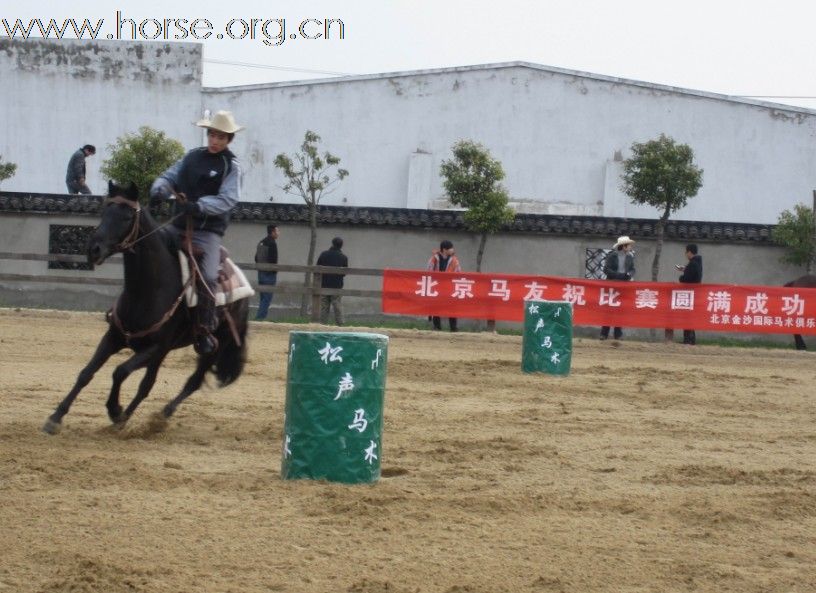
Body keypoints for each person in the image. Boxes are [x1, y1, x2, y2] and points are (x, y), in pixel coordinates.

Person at [149, 110, 243, 355]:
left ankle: (204, 329)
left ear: (229, 140)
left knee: (208, 276)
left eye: (221, 137)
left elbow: (228, 199)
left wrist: (198, 206)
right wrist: (159, 191)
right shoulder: (191, 157)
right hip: (178, 224)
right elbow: (169, 176)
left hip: (207, 231)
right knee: (147, 249)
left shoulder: (230, 166)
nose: (215, 141)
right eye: (213, 135)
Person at [600, 235, 635, 341]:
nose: (630, 247)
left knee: (620, 309)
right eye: (629, 245)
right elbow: (606, 269)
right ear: (624, 246)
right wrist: (618, 275)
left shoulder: (630, 257)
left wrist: (629, 274)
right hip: (612, 285)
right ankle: (604, 333)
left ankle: (618, 334)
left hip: (623, 286)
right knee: (609, 309)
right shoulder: (612, 256)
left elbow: (633, 269)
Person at [427, 239, 462, 332]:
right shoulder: (434, 258)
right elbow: (429, 270)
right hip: (436, 286)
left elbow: (458, 272)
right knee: (435, 306)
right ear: (444, 249)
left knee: (452, 306)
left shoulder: (454, 260)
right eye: (450, 248)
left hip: (450, 286)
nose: (452, 250)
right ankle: (437, 326)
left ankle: (453, 328)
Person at [316, 237, 349, 325]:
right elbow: (344, 273)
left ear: (332, 243)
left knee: (324, 306)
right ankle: (340, 324)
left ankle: (322, 324)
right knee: (337, 305)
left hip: (324, 283)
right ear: (341, 245)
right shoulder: (343, 257)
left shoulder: (323, 254)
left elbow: (317, 268)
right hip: (337, 285)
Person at [677, 243, 703, 345]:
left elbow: (687, 278)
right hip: (695, 294)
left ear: (689, 252)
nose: (685, 254)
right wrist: (685, 269)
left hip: (690, 294)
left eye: (686, 252)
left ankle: (688, 340)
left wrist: (681, 278)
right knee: (690, 317)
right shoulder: (698, 262)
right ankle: (691, 339)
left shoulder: (693, 263)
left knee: (687, 317)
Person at [254, 224, 279, 320]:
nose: (278, 233)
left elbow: (256, 258)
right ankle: (259, 318)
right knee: (267, 298)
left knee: (263, 297)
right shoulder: (272, 243)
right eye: (277, 231)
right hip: (269, 274)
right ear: (272, 232)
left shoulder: (261, 242)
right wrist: (274, 270)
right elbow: (273, 260)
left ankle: (259, 318)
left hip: (261, 272)